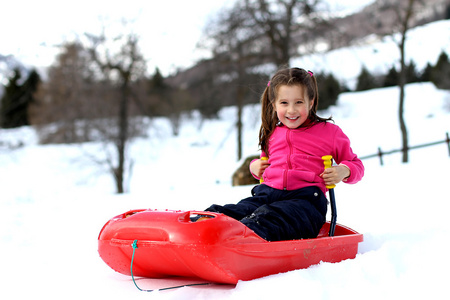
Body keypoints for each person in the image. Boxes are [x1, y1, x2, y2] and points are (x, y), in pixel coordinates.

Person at [202, 67, 364, 242]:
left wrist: (343, 170)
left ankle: (244, 238)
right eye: (284, 103)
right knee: (235, 211)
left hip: (305, 203)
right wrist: (255, 166)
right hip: (267, 196)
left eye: (299, 102)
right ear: (274, 104)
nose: (291, 110)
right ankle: (204, 227)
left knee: (268, 218)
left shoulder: (329, 132)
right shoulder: (272, 133)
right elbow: (266, 163)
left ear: (311, 102)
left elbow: (356, 164)